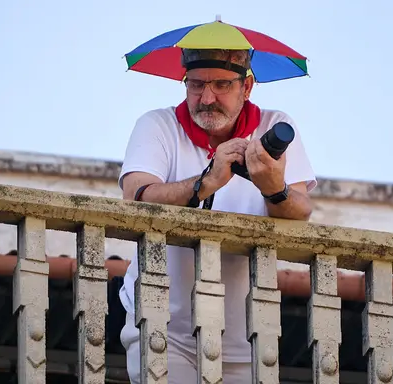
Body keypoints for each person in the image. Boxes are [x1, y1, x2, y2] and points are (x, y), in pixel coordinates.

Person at [117, 47, 317, 383]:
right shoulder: (157, 124)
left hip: (249, 335)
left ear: (247, 86)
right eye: (196, 84)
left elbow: (300, 213)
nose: (207, 98)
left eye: (222, 85)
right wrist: (206, 182)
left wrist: (273, 188)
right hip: (161, 325)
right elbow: (136, 196)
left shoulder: (274, 126)